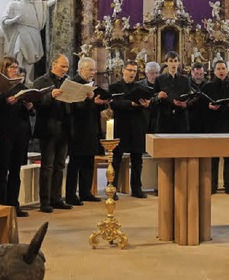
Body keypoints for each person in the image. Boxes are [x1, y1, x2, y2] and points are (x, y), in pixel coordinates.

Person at [0, 56, 34, 217]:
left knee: (16, 171)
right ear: (4, 68)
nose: (15, 70)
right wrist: (5, 102)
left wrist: (30, 106)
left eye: (16, 67)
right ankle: (3, 205)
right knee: (3, 170)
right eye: (11, 67)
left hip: (20, 132)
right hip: (4, 132)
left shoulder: (20, 86)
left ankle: (14, 204)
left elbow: (28, 109)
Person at [33, 54, 73, 213]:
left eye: (67, 67)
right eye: (63, 66)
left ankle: (57, 198)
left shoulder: (68, 82)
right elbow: (36, 103)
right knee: (47, 166)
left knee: (60, 165)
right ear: (53, 64)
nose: (65, 69)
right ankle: (45, 201)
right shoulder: (40, 81)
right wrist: (50, 96)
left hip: (64, 128)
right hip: (48, 128)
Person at [65, 57, 107, 206]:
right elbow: (74, 107)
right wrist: (90, 101)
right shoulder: (74, 84)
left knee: (89, 162)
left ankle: (85, 192)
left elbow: (94, 108)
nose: (93, 72)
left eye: (94, 70)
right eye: (90, 69)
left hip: (91, 129)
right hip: (77, 129)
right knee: (75, 164)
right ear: (81, 69)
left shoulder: (91, 85)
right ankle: (70, 195)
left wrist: (100, 103)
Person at [109, 61, 151, 199]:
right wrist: (130, 104)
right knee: (116, 159)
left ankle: (137, 189)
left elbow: (148, 105)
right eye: (130, 70)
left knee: (137, 159)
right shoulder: (114, 87)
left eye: (134, 71)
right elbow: (114, 104)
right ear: (123, 71)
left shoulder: (140, 87)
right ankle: (112, 188)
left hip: (137, 126)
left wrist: (146, 104)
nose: (132, 73)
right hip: (121, 127)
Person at [202, 60, 229, 196]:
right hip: (213, 125)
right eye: (218, 68)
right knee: (213, 158)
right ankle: (212, 186)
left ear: (227, 70)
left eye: (223, 68)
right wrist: (208, 106)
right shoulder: (207, 87)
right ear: (214, 71)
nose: (221, 71)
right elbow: (200, 105)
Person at [2, 0, 58, 84]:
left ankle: (26, 78)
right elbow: (4, 20)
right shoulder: (14, 4)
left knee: (30, 58)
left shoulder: (36, 5)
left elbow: (46, 5)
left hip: (33, 33)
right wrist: (14, 20)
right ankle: (17, 77)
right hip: (21, 32)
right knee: (19, 55)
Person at [152, 51, 192, 133]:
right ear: (166, 62)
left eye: (175, 61)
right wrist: (159, 97)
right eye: (170, 61)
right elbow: (153, 99)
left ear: (179, 63)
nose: (173, 64)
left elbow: (190, 97)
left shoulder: (185, 80)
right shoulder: (159, 79)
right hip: (164, 119)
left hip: (181, 119)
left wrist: (185, 103)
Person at [137, 61, 160, 133]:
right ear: (146, 73)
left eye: (157, 73)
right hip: (142, 117)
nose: (155, 75)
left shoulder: (163, 85)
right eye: (152, 73)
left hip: (157, 118)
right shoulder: (139, 85)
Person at [187, 63, 207, 133]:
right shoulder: (186, 84)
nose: (198, 76)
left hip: (204, 119)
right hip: (190, 118)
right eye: (196, 74)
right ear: (192, 72)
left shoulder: (207, 85)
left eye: (201, 74)